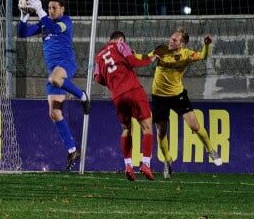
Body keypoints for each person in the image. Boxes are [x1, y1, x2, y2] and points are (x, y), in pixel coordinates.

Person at [17, 0, 90, 171]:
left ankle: (82, 96)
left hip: (66, 64)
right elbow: (22, 34)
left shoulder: (66, 21)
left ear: (62, 9)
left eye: (54, 8)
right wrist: (24, 17)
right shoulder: (44, 22)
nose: (51, 11)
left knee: (55, 79)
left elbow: (56, 30)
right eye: (49, 8)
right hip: (53, 70)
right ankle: (73, 150)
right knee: (54, 113)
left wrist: (40, 12)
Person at [139, 27, 221, 178]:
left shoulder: (186, 54)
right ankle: (167, 162)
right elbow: (144, 57)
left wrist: (207, 45)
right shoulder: (161, 50)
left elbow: (203, 56)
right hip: (159, 96)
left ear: (182, 44)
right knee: (161, 132)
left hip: (177, 95)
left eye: (174, 40)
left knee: (195, 126)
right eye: (171, 38)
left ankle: (210, 150)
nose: (170, 41)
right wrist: (130, 56)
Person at [94, 31, 157, 181]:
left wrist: (112, 82)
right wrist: (150, 59)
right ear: (121, 39)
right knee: (147, 126)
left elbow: (98, 78)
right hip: (132, 89)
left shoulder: (98, 56)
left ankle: (128, 165)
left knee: (126, 128)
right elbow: (133, 62)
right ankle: (146, 164)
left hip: (117, 95)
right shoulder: (121, 45)